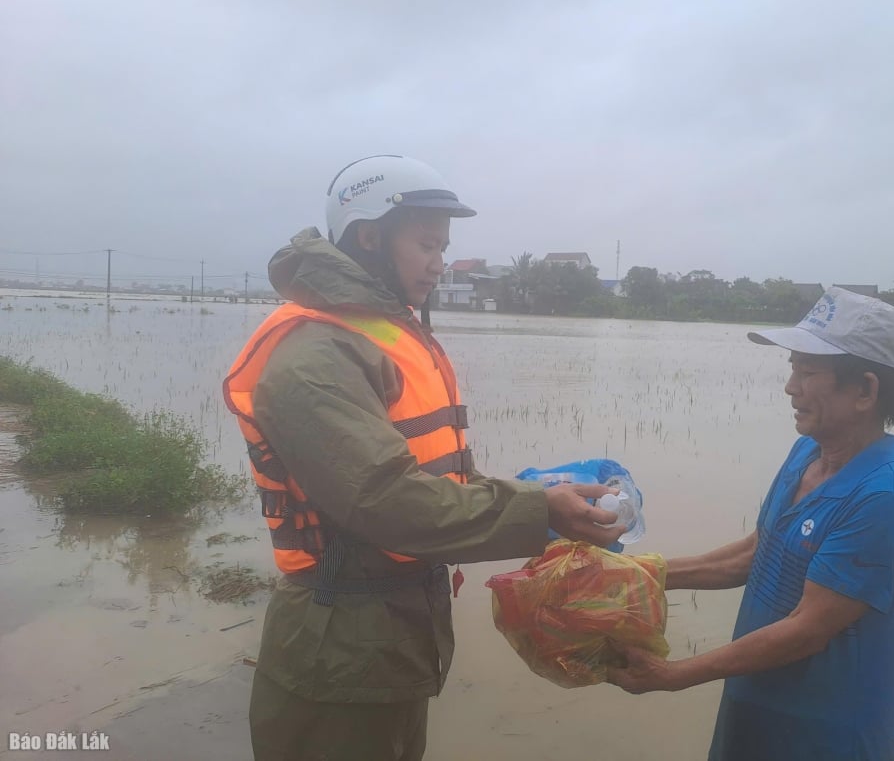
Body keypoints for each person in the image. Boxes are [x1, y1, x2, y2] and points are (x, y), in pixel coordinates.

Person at [223, 154, 621, 761]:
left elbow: (427, 476)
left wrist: (536, 494)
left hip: (386, 638)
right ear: (370, 237)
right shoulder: (314, 357)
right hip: (338, 652)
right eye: (427, 245)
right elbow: (386, 500)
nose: (439, 264)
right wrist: (538, 512)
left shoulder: (374, 333)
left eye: (444, 247)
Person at [609, 286, 894, 761]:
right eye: (791, 369)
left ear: (865, 390)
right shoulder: (808, 453)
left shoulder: (885, 498)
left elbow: (806, 629)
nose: (790, 387)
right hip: (752, 715)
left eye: (808, 372)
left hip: (823, 738)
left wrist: (673, 674)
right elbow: (756, 553)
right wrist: (631, 575)